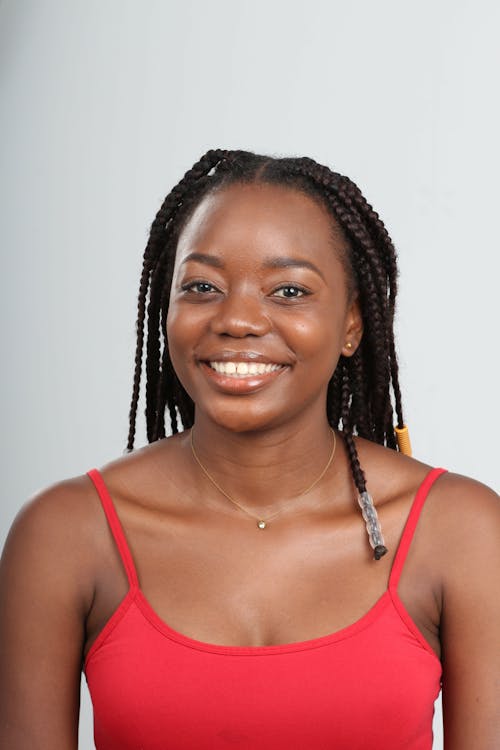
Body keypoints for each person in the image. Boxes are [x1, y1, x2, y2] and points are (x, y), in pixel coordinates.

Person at [0, 150, 498, 750]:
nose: (237, 319)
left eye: (288, 290)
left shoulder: (463, 533)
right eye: (202, 286)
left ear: (352, 324)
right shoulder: (65, 536)